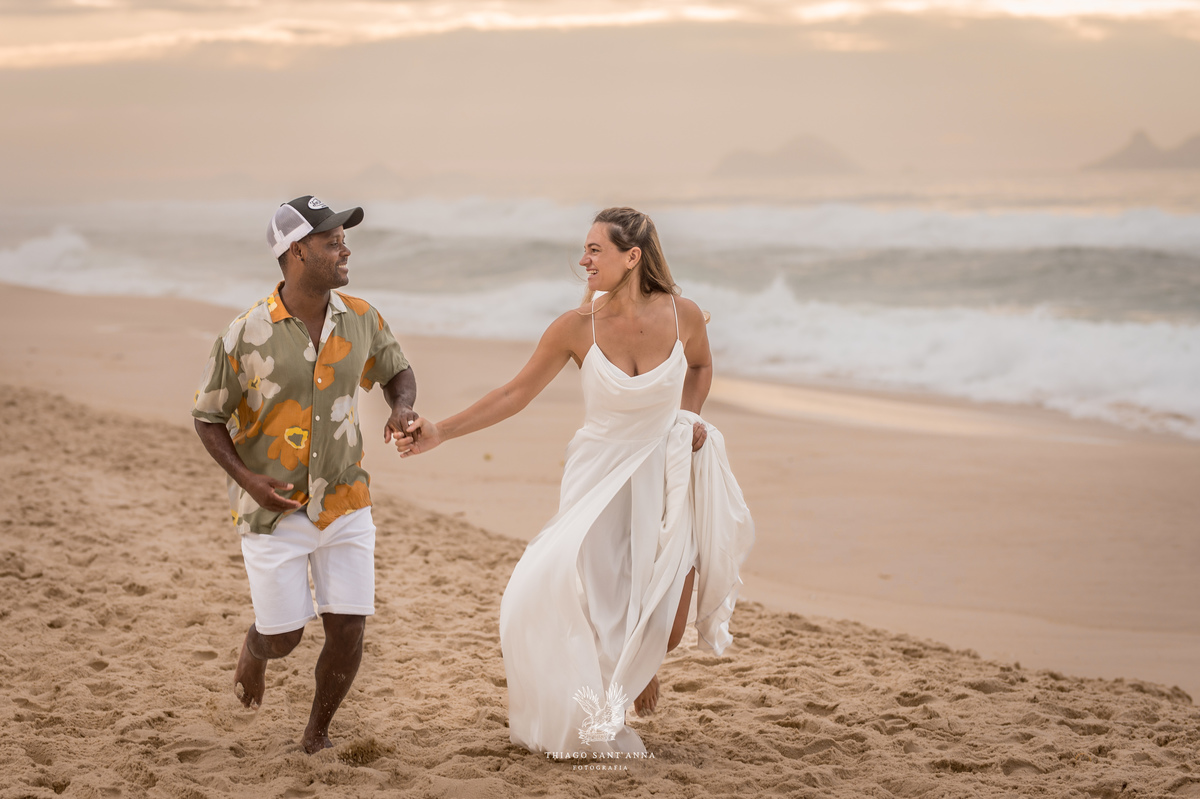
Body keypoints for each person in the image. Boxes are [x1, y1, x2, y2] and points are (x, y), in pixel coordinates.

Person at [397, 207, 754, 755]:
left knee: (670, 623)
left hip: (665, 472)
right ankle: (616, 681)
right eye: (584, 248)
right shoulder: (575, 327)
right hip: (598, 477)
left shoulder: (684, 317)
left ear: (632, 257)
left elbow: (701, 366)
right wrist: (441, 431)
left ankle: (639, 663)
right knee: (586, 593)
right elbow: (514, 394)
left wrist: (689, 417)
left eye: (595, 250)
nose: (583, 259)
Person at [191, 196, 417, 754]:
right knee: (284, 636)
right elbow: (207, 415)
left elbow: (397, 369)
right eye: (332, 240)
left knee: (348, 628)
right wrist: (247, 480)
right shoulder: (243, 334)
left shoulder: (362, 317)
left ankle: (315, 736)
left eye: (343, 238)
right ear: (297, 252)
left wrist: (402, 407)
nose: (345, 248)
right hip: (274, 509)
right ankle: (254, 645)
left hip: (345, 499)